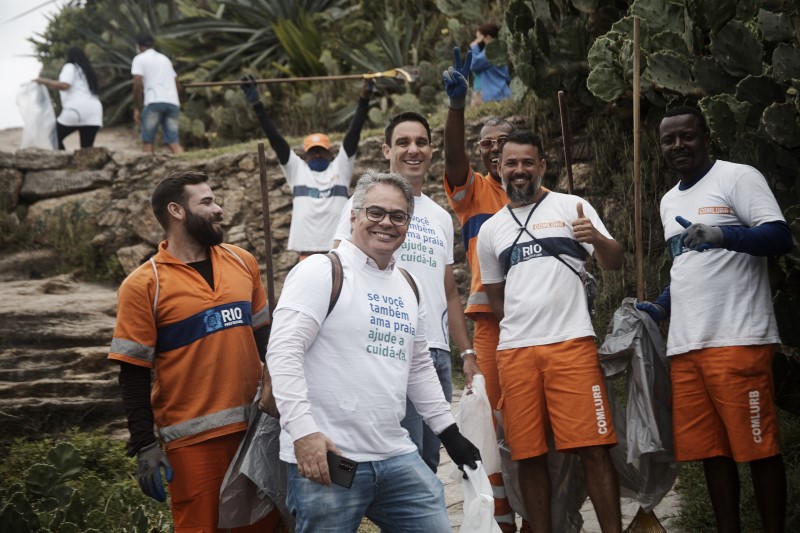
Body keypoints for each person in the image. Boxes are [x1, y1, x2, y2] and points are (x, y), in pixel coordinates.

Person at [268, 170, 480, 533]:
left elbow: (418, 367)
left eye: (398, 216)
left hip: (395, 455)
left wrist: (449, 433)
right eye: (375, 212)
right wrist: (303, 433)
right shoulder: (321, 271)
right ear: (353, 216)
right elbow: (283, 353)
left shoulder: (407, 284)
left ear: (408, 224)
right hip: (330, 458)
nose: (386, 223)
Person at [637, 106, 791, 533]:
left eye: (686, 136)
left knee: (758, 449)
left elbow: (780, 235)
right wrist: (660, 307)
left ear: (706, 137)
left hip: (738, 337)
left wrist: (724, 234)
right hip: (686, 346)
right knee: (712, 452)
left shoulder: (737, 177)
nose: (678, 145)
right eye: (668, 140)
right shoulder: (669, 200)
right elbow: (686, 265)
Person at [108, 171, 282, 532]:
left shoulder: (242, 262)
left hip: (255, 430)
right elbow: (133, 372)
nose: (218, 209)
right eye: (207, 202)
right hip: (193, 444)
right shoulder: (145, 284)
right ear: (176, 210)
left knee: (265, 526)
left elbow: (266, 339)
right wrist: (144, 444)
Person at [477, 130, 624, 533]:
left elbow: (614, 261)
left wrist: (595, 237)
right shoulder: (491, 230)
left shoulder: (572, 206)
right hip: (516, 353)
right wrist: (525, 326)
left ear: (542, 166)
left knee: (594, 449)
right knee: (528, 455)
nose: (519, 170)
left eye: (528, 162)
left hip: (572, 345)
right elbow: (496, 298)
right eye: (511, 163)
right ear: (499, 169)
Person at [332, 112, 474, 473]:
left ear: (431, 150)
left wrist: (467, 353)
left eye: (421, 142)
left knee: (429, 459)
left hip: (436, 353)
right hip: (391, 346)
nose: (413, 150)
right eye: (403, 142)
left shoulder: (441, 217)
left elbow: (449, 293)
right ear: (386, 150)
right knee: (402, 461)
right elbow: (340, 270)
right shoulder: (364, 206)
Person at [240, 76, 373, 259]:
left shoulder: (340, 168)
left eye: (321, 151)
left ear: (331, 154)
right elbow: (276, 139)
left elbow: (353, 135)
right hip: (306, 252)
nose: (317, 155)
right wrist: (257, 104)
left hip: (338, 251)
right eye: (313, 152)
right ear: (305, 156)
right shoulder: (297, 170)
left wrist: (364, 100)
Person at [34, 46, 103, 150]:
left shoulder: (70, 67)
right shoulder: (88, 71)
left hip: (76, 110)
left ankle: (63, 158)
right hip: (94, 111)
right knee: (86, 149)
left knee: (54, 136)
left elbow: (65, 85)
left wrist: (44, 81)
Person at [132, 33, 183, 154]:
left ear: (139, 46)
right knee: (173, 141)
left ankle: (148, 164)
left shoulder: (139, 59)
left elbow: (137, 84)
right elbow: (177, 84)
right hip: (172, 102)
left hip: (153, 101)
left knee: (148, 141)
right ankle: (188, 165)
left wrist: (137, 107)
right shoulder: (165, 59)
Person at [469, 23, 511, 104]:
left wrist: (474, 48)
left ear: (488, 37)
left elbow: (473, 65)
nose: (476, 41)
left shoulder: (490, 52)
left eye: (479, 38)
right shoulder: (500, 48)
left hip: (495, 95)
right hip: (503, 92)